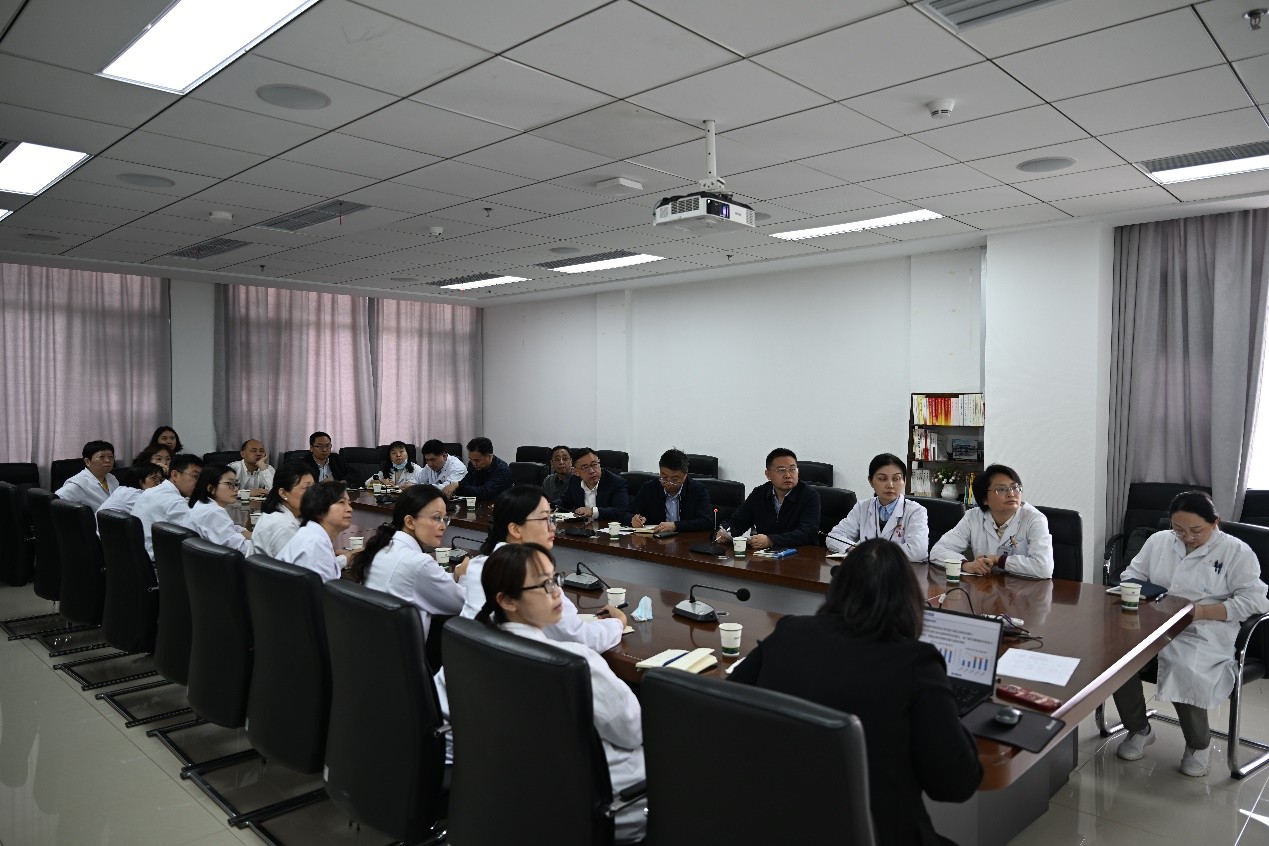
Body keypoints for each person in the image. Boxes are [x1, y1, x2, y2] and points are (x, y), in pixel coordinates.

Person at [730, 538, 982, 845]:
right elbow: (955, 785)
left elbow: (729, 701)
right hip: (878, 834)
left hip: (775, 824)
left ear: (838, 588)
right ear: (908, 599)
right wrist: (951, 711)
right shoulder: (916, 663)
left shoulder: (790, 631)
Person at [440, 543, 646, 843]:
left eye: (555, 579)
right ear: (507, 600)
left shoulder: (470, 644)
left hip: (512, 800)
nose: (557, 592)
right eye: (545, 585)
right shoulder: (575, 662)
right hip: (600, 808)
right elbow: (631, 732)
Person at [1112, 490, 1269, 778]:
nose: (1187, 537)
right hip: (1154, 622)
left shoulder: (1236, 552)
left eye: (1196, 530)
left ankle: (1198, 744)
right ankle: (1138, 729)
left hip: (1205, 629)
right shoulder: (1159, 541)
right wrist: (1145, 595)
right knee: (1116, 661)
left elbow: (1256, 601)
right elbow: (1132, 575)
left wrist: (1199, 611)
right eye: (1178, 529)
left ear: (1214, 522)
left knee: (1185, 668)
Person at [460, 485, 625, 652]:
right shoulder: (534, 575)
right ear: (515, 529)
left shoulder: (476, 565)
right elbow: (582, 638)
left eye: (552, 518)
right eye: (545, 519)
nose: (553, 527)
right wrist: (618, 621)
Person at [349, 485, 468, 638]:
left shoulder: (383, 548)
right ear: (410, 522)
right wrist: (464, 576)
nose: (443, 526)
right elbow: (462, 603)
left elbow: (426, 580)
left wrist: (454, 575)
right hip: (401, 650)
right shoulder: (418, 563)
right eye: (436, 518)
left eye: (445, 519)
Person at [929, 464, 1054, 578]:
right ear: (984, 498)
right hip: (986, 588)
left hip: (1024, 590)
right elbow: (938, 551)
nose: (1011, 494)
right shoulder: (973, 517)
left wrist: (998, 560)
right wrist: (966, 565)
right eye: (1001, 489)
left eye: (1014, 487)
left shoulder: (1034, 519)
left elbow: (1043, 568)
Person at [827, 452, 930, 561]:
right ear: (871, 481)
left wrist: (872, 551)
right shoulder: (862, 507)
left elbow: (918, 551)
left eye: (896, 479)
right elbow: (833, 537)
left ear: (904, 480)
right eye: (882, 479)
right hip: (868, 568)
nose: (890, 485)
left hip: (901, 569)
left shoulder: (915, 511)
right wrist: (854, 549)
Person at [717, 448, 821, 549]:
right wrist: (725, 531)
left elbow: (807, 533)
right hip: (764, 555)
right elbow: (738, 522)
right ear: (768, 474)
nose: (788, 475)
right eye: (781, 470)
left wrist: (770, 540)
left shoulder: (809, 496)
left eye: (792, 469)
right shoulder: (759, 493)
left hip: (801, 555)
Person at [278, 480, 355, 582]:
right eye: (341, 502)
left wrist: (346, 558)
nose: (349, 509)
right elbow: (325, 588)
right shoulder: (315, 544)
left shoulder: (310, 533)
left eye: (349, 503)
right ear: (319, 509)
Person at [133, 454, 202, 559]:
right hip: (158, 561)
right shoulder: (174, 501)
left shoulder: (151, 491)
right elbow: (197, 536)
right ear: (175, 475)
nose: (199, 483)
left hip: (141, 555)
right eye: (195, 476)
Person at [629, 448, 714, 533]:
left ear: (685, 475)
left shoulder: (698, 490)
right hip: (656, 538)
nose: (669, 483)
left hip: (686, 539)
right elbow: (626, 513)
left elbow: (707, 521)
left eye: (674, 479)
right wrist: (633, 519)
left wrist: (676, 526)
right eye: (664, 477)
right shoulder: (649, 488)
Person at [251, 464, 315, 558]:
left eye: (314, 487)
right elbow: (301, 564)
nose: (313, 493)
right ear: (283, 493)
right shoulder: (284, 526)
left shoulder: (284, 514)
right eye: (306, 488)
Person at [186, 465, 251, 555]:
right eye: (230, 484)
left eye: (236, 484)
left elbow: (231, 528)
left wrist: (249, 534)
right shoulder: (213, 512)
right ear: (211, 488)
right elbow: (241, 548)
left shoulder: (203, 504)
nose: (236, 489)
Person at [561, 447, 629, 522]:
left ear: (599, 462)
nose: (591, 471)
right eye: (585, 467)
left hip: (606, 527)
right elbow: (565, 501)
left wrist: (592, 511)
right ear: (575, 472)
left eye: (594, 464)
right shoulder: (575, 481)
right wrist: (552, 506)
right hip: (582, 527)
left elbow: (621, 511)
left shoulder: (616, 482)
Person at [55, 440, 118, 509]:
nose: (108, 460)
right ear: (87, 462)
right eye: (101, 457)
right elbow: (56, 502)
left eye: (111, 457)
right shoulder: (78, 484)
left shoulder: (112, 478)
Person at [96, 463, 165, 524]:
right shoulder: (133, 495)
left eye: (160, 479)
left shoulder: (125, 491)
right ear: (139, 480)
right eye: (154, 478)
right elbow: (158, 515)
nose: (159, 483)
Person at [454, 436, 511, 502]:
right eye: (471, 459)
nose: (474, 463)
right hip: (477, 504)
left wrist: (459, 485)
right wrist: (455, 487)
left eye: (477, 460)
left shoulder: (502, 470)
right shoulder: (473, 465)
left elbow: (484, 493)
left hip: (495, 506)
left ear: (489, 457)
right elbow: (465, 483)